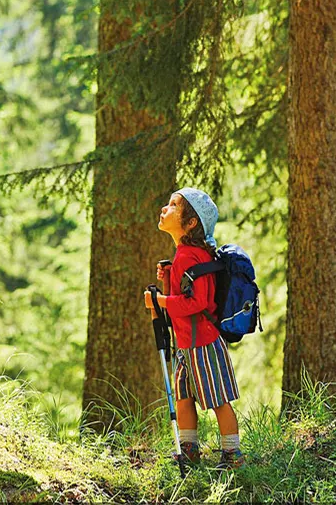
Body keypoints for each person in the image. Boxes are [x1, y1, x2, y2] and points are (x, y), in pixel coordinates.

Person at [143, 188, 244, 470]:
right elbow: (184, 294)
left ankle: (233, 456)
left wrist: (160, 301)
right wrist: (169, 277)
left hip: (204, 344)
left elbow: (197, 302)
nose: (164, 208)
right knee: (184, 397)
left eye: (174, 205)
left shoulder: (189, 256)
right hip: (187, 344)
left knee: (219, 400)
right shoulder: (186, 254)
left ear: (191, 223)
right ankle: (189, 451)